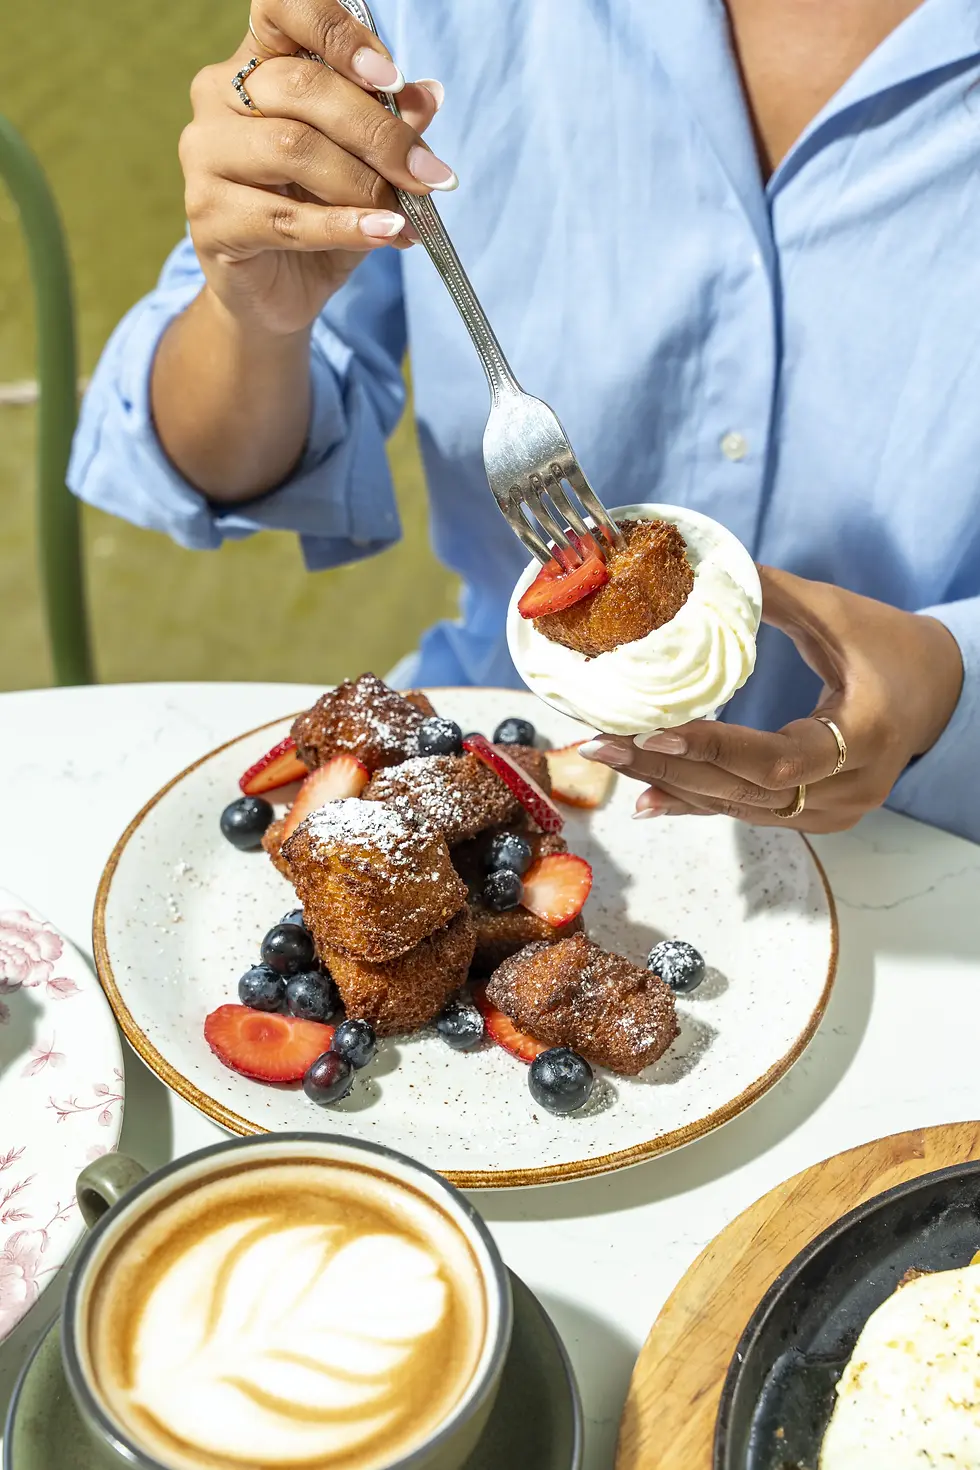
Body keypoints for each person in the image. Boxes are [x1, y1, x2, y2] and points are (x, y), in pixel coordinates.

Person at [70, 0, 980, 842]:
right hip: (512, 756)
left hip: (928, 830)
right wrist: (253, 319)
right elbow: (206, 466)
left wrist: (952, 676)